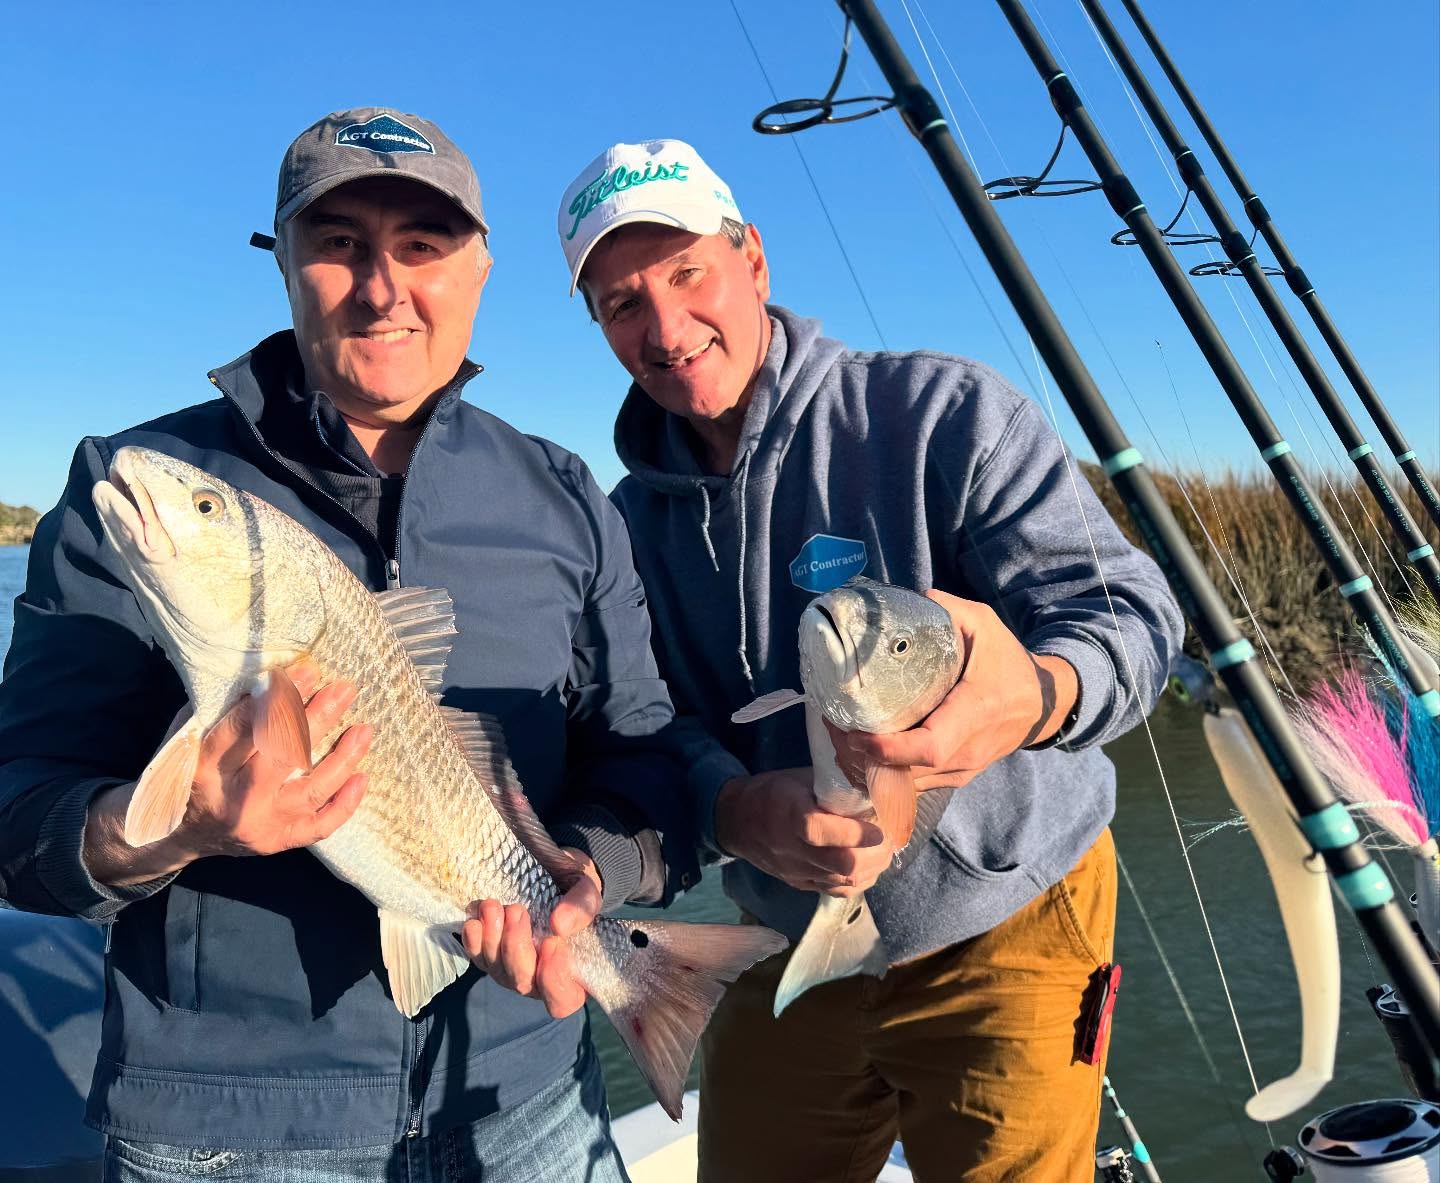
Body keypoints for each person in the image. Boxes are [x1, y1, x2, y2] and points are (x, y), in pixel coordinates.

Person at [0, 109, 701, 1181]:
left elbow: (643, 753)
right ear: (280, 260)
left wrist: (582, 876)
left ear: (481, 268)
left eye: (423, 245)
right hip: (228, 1135)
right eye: (338, 244)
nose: (383, 287)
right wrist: (166, 831)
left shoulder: (564, 497)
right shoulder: (127, 479)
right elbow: (19, 814)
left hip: (532, 1103)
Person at [550, 139, 1186, 1182]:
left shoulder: (947, 416)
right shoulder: (622, 528)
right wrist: (735, 808)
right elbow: (650, 724)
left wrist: (1036, 692)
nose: (664, 329)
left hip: (1010, 915)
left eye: (686, 273)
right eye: (621, 304)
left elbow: (1133, 621)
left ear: (752, 258)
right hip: (795, 935)